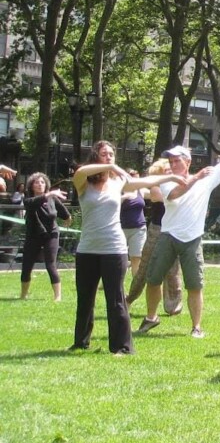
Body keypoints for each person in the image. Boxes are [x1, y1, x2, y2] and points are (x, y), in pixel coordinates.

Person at [139, 127, 220, 338]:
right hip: (168, 236)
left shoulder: (205, 179)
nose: (173, 164)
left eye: (177, 161)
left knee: (194, 285)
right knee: (153, 279)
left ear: (188, 162)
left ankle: (196, 327)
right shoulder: (167, 182)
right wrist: (195, 178)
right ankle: (151, 317)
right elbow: (175, 194)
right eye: (171, 161)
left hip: (192, 239)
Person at [71, 141, 175, 354]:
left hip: (114, 249)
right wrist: (109, 167)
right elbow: (81, 170)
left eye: (111, 154)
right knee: (85, 299)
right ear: (96, 157)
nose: (109, 157)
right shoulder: (84, 183)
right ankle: (81, 342)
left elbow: (146, 181)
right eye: (104, 154)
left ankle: (122, 346)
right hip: (87, 249)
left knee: (116, 299)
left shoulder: (118, 182)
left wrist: (170, 177)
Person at [125, 158, 183, 314]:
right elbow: (161, 198)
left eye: (171, 169)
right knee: (145, 269)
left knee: (173, 270)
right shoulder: (156, 187)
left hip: (174, 230)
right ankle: (129, 298)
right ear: (159, 173)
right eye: (166, 170)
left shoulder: (179, 187)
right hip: (157, 230)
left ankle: (173, 306)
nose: (170, 172)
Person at [19, 172, 71, 302]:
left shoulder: (52, 199)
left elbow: (64, 213)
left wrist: (68, 218)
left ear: (46, 184)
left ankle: (58, 296)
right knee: (27, 265)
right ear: (31, 185)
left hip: (51, 235)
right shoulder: (28, 200)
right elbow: (34, 203)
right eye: (37, 182)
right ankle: (23, 294)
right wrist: (48, 194)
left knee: (50, 265)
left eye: (42, 182)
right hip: (33, 235)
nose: (40, 184)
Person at [119, 184, 147, 285]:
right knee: (118, 256)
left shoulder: (141, 190)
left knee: (136, 257)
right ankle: (113, 282)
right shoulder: (119, 190)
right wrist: (124, 197)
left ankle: (136, 284)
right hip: (120, 228)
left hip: (138, 228)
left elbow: (154, 193)